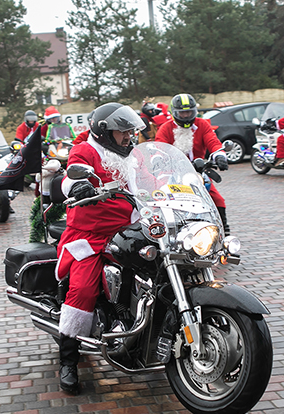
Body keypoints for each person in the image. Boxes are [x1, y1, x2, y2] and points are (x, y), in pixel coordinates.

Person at [56, 102, 146, 394]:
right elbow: (71, 176)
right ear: (105, 132)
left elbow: (152, 179)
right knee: (82, 288)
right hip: (90, 234)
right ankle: (68, 359)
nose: (129, 137)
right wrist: (77, 187)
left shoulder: (133, 154)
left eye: (132, 132)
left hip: (132, 229)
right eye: (124, 132)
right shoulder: (86, 150)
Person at [154, 94, 231, 233]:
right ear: (174, 113)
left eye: (189, 112)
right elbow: (159, 147)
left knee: (217, 200)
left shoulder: (202, 125)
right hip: (172, 173)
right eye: (182, 113)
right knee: (161, 202)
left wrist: (220, 156)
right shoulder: (166, 128)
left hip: (198, 172)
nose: (186, 116)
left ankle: (223, 233)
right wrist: (160, 159)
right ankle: (163, 232)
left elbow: (213, 141)